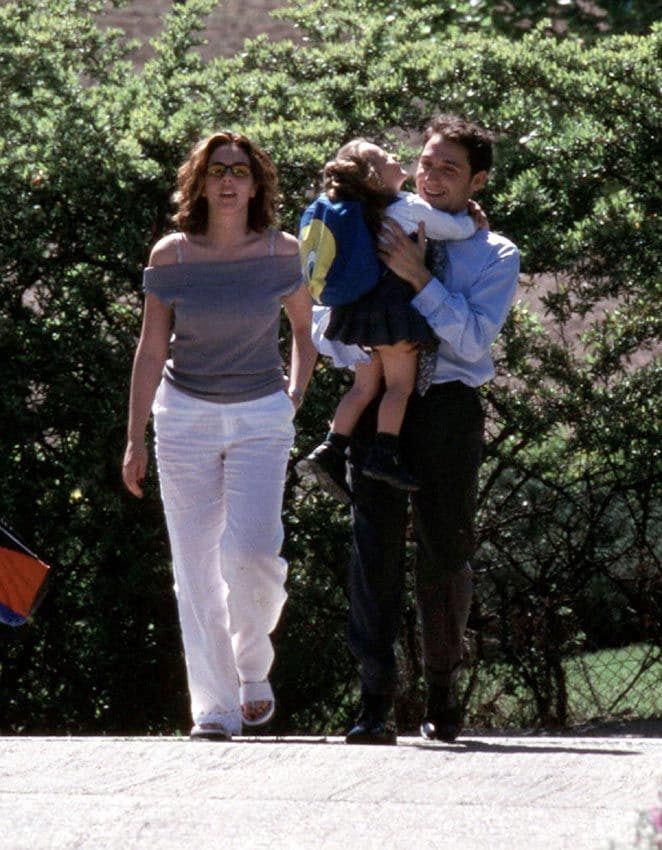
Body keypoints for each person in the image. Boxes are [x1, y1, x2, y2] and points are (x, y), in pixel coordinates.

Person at [314, 115, 520, 745]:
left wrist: (418, 277)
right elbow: (325, 319)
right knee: (371, 550)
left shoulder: (494, 252)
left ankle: (441, 692)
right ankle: (374, 701)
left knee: (444, 552)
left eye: (448, 169)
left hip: (449, 407)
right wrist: (371, 352)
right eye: (426, 162)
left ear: (478, 180)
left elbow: (474, 339)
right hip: (382, 401)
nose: (430, 177)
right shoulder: (373, 219)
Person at [122, 130, 317, 741]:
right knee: (196, 566)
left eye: (239, 170)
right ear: (198, 183)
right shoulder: (171, 258)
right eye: (215, 171)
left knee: (253, 554)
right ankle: (213, 706)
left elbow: (306, 334)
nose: (227, 181)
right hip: (183, 420)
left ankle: (252, 669)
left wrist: (294, 398)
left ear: (256, 183)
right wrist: (134, 438)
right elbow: (151, 349)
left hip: (262, 417)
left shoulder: (283, 254)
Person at [297, 139, 482, 501]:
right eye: (385, 158)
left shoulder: (359, 210)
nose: (396, 156)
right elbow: (452, 230)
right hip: (394, 313)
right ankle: (384, 452)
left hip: (358, 315)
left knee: (363, 388)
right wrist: (473, 223)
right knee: (399, 386)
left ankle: (331, 448)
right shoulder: (407, 206)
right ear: (374, 177)